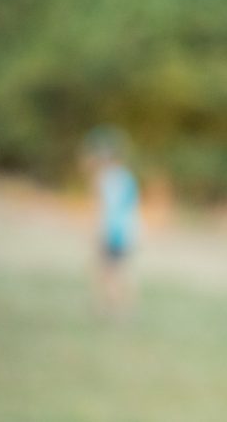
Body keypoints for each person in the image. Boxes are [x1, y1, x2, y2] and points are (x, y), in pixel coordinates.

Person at [84, 125, 139, 319]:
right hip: (127, 232)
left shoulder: (104, 179)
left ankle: (110, 312)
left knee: (106, 273)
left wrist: (96, 232)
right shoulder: (127, 177)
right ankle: (122, 312)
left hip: (111, 231)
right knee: (121, 273)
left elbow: (102, 209)